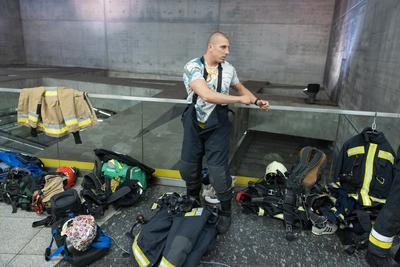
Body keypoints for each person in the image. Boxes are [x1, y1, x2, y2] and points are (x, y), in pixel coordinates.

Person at [179, 31, 269, 234]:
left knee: (218, 172)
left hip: (218, 123)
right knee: (188, 166)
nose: (227, 52)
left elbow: (240, 87)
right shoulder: (192, 66)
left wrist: (255, 100)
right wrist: (239, 100)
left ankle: (226, 212)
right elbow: (206, 95)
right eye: (223, 47)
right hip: (194, 121)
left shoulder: (229, 69)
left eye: (228, 48)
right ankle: (193, 199)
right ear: (210, 46)